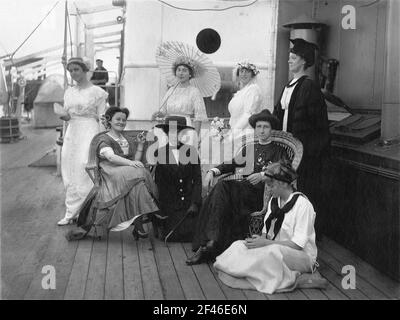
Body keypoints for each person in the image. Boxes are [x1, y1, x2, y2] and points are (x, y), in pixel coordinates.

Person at [186, 109, 288, 265]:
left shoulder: (279, 151)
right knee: (221, 188)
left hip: (262, 195)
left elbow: (284, 172)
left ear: (271, 129)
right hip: (242, 191)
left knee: (221, 188)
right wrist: (213, 171)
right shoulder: (250, 148)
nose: (261, 130)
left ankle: (208, 244)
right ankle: (211, 242)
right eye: (258, 126)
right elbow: (232, 164)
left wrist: (263, 176)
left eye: (265, 127)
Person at [213, 161, 325, 294]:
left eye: (271, 185)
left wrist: (266, 243)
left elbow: (298, 245)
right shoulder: (274, 201)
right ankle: (237, 268)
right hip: (275, 248)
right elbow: (267, 234)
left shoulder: (303, 205)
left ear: (283, 183)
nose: (268, 189)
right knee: (239, 245)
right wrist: (259, 240)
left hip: (301, 256)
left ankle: (247, 271)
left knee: (271, 252)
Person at [65, 107, 159, 240]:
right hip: (110, 173)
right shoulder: (104, 138)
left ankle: (138, 224)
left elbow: (135, 161)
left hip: (127, 173)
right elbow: (111, 157)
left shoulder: (126, 138)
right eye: (118, 119)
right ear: (109, 121)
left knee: (137, 181)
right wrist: (131, 163)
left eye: (124, 120)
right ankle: (153, 209)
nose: (121, 122)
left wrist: (140, 146)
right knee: (140, 172)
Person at [273, 38, 330, 233]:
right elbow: (277, 116)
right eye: (289, 57)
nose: (289, 61)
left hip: (304, 152)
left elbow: (318, 125)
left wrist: (306, 152)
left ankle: (304, 233)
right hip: (287, 150)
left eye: (293, 57)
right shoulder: (288, 86)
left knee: (303, 190)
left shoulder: (309, 87)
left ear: (304, 61)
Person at [57, 57, 108, 226]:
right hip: (72, 131)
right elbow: (66, 117)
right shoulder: (69, 92)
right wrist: (64, 132)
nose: (73, 73)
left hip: (88, 130)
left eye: (76, 69)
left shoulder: (97, 92)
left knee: (84, 166)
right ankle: (70, 212)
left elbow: (102, 118)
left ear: (85, 70)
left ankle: (86, 213)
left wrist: (101, 140)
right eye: (70, 70)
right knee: (68, 167)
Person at [152, 116, 202, 241]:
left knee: (193, 234)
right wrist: (169, 207)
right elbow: (160, 184)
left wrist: (195, 202)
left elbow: (197, 180)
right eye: (172, 131)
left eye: (179, 132)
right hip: (170, 203)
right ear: (166, 133)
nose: (175, 135)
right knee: (174, 235)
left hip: (189, 202)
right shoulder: (160, 153)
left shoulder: (192, 152)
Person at [152, 56, 208, 145]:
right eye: (179, 70)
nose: (181, 73)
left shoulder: (194, 91)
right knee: (168, 154)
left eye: (184, 70)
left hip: (185, 127)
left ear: (190, 74)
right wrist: (158, 114)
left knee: (183, 154)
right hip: (169, 127)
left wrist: (196, 137)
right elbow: (163, 111)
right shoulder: (171, 90)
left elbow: (199, 116)